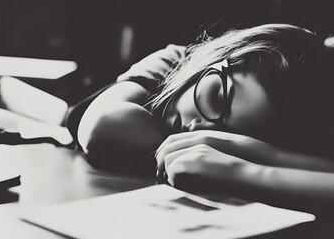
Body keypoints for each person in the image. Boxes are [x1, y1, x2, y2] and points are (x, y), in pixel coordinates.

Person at [66, 23, 334, 214]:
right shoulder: (178, 61)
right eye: (216, 98)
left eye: (229, 135)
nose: (198, 129)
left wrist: (258, 156)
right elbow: (104, 126)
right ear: (219, 58)